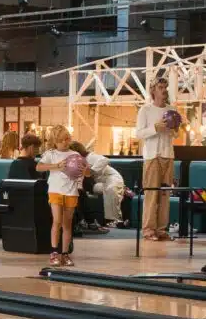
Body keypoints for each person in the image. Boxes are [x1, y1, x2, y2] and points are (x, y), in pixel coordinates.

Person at [37, 125, 90, 268]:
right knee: (57, 221)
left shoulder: (75, 154)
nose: (65, 142)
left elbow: (87, 173)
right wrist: (56, 166)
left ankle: (65, 254)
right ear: (55, 141)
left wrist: (85, 171)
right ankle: (54, 253)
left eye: (67, 139)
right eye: (61, 140)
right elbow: (39, 167)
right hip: (55, 191)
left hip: (71, 192)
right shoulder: (51, 154)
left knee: (67, 224)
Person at [135, 76, 176, 241]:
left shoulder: (172, 109)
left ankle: (161, 229)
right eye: (160, 87)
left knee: (165, 195)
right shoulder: (145, 110)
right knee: (151, 194)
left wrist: (174, 129)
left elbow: (175, 134)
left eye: (165, 87)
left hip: (168, 155)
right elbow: (139, 133)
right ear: (153, 90)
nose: (164, 90)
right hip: (152, 157)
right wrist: (155, 128)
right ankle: (148, 230)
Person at [71, 142, 125, 231]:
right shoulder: (76, 162)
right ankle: (84, 221)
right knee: (80, 192)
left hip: (112, 179)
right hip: (99, 183)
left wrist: (91, 171)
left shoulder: (90, 156)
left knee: (110, 189)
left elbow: (105, 160)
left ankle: (114, 220)